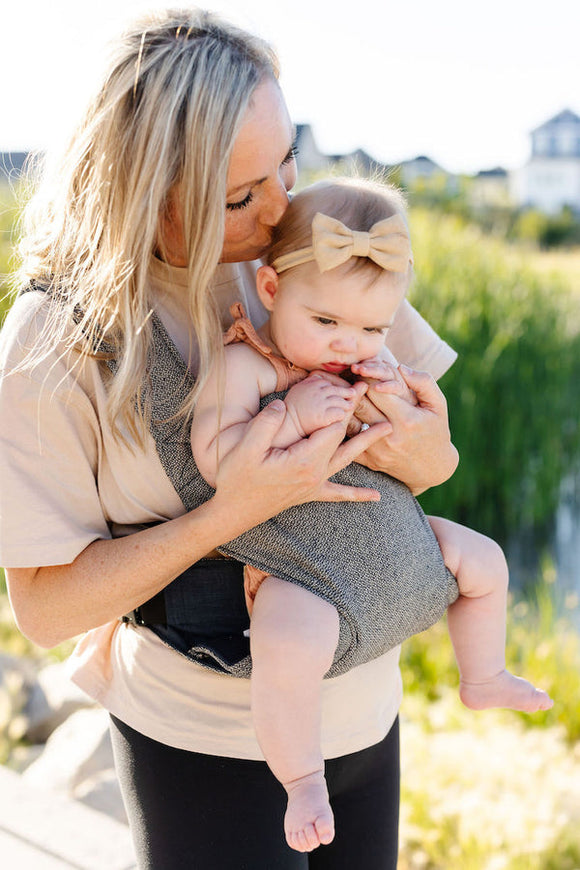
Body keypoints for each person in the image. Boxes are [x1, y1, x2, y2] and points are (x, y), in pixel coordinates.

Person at [0, 10, 464, 870]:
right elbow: (44, 609)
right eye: (241, 196)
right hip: (202, 744)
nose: (284, 205)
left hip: (367, 715)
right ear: (145, 191)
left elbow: (437, 465)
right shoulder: (58, 338)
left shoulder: (312, 254)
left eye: (285, 160)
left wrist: (414, 449)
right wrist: (230, 512)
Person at [190, 176, 553, 853]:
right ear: (270, 291)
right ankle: (301, 776)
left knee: (484, 560)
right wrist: (289, 415)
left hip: (387, 532)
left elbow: (429, 450)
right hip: (301, 556)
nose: (347, 345)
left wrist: (397, 400)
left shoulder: (367, 359)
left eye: (372, 328)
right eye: (326, 322)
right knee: (290, 643)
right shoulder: (250, 364)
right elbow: (214, 461)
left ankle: (482, 675)